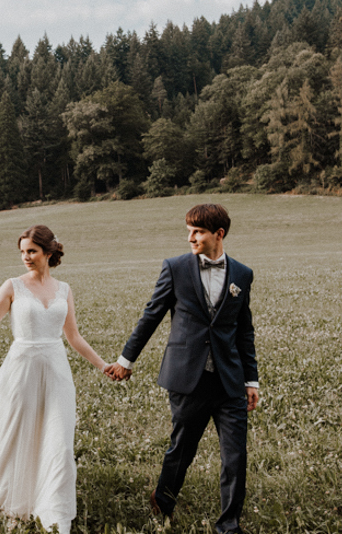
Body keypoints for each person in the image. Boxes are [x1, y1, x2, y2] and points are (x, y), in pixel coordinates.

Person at [0, 225, 110, 533]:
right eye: (22, 252)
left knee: (59, 438)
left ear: (48, 252)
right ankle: (13, 491)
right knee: (16, 431)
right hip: (21, 368)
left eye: (32, 251)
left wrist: (103, 365)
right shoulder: (12, 286)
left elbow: (74, 336)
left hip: (56, 369)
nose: (26, 257)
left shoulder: (64, 290)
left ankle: (54, 508)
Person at [104, 203, 259, 534]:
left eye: (198, 232)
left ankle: (229, 525)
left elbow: (244, 331)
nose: (190, 238)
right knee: (182, 449)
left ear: (218, 234)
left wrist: (251, 380)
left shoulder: (243, 274)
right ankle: (163, 500)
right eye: (189, 231)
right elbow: (152, 315)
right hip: (188, 377)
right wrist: (125, 360)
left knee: (235, 456)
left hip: (230, 380)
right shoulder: (175, 268)